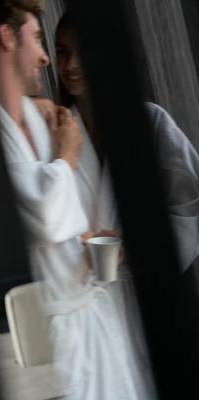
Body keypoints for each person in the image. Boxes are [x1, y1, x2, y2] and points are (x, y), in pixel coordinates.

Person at [0, 1, 153, 398]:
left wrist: (93, 240)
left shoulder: (42, 117)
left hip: (93, 315)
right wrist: (68, 153)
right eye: (40, 40)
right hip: (54, 334)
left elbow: (62, 218)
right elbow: (43, 213)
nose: (45, 59)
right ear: (7, 37)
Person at [48, 10, 199, 272]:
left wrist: (130, 252)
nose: (71, 64)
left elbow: (190, 211)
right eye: (63, 52)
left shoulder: (150, 123)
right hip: (83, 288)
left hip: (145, 282)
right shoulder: (54, 131)